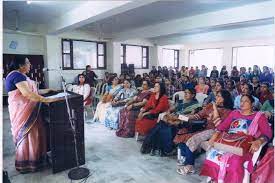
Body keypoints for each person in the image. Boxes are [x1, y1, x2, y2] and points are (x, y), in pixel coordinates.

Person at [5, 56, 60, 173]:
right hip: (22, 112)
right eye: (28, 63)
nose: (30, 65)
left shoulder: (22, 76)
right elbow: (28, 94)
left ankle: (37, 160)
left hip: (29, 110)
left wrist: (49, 90)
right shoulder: (16, 76)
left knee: (35, 135)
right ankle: (27, 163)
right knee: (27, 136)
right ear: (21, 65)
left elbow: (34, 92)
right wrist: (47, 100)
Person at [200, 94, 272, 183]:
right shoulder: (234, 113)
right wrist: (215, 135)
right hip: (228, 143)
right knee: (213, 155)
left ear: (252, 104)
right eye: (241, 101)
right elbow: (222, 127)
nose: (242, 103)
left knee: (234, 162)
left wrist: (259, 141)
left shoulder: (259, 116)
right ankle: (216, 179)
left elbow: (268, 133)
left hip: (245, 147)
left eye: (246, 101)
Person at [175, 90, 233, 175]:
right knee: (183, 133)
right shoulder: (210, 105)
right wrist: (182, 117)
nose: (216, 97)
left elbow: (218, 125)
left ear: (225, 99)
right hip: (205, 128)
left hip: (215, 131)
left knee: (192, 139)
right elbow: (198, 116)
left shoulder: (228, 111)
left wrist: (215, 108)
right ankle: (187, 158)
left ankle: (189, 166)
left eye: (219, 96)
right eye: (216, 95)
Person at [141, 88, 201, 156]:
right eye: (185, 92)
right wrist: (169, 113)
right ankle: (151, 147)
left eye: (187, 93)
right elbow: (171, 109)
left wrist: (177, 117)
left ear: (193, 95)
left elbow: (190, 117)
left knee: (166, 128)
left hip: (182, 122)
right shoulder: (180, 101)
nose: (185, 94)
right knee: (159, 125)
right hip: (172, 119)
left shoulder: (195, 105)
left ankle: (166, 149)